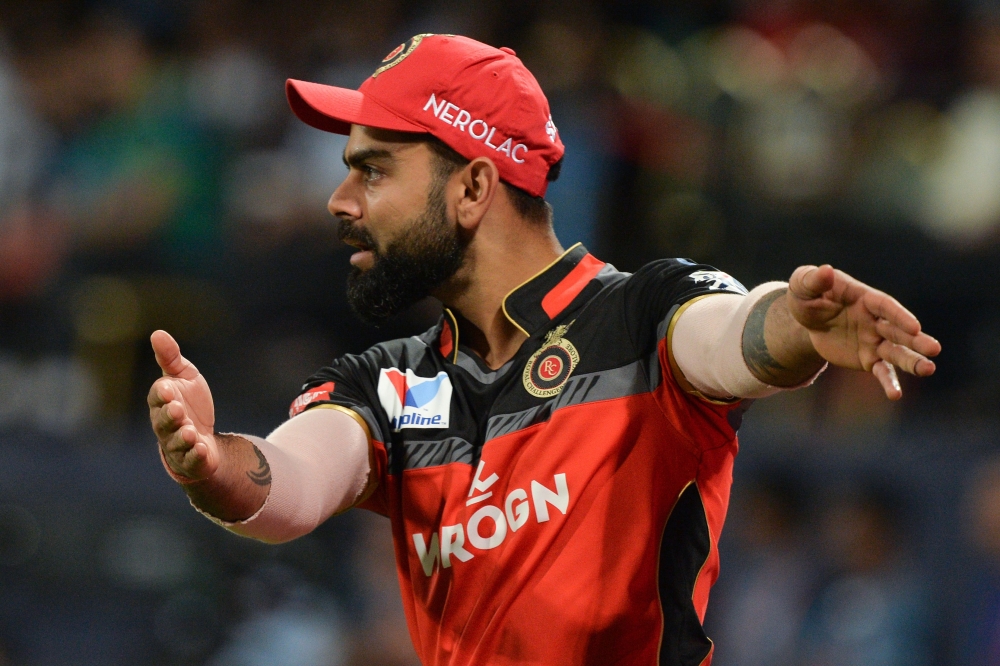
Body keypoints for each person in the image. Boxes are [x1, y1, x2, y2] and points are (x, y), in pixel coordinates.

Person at [146, 34, 940, 666]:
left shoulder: (642, 316)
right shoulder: (387, 381)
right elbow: (294, 483)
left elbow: (732, 336)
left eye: (374, 170)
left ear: (472, 188)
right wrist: (212, 463)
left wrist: (797, 326)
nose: (340, 199)